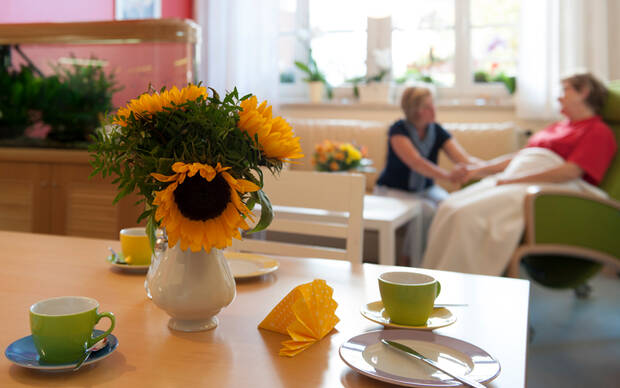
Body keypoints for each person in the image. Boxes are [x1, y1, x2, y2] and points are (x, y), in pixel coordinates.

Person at [421, 72, 617, 276]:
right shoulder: (557, 128)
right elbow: (521, 157)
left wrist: (513, 180)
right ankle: (431, 280)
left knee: (465, 216)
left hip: (548, 191)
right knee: (449, 206)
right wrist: (478, 170)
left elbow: (569, 172)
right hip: (517, 180)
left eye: (565, 90)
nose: (559, 97)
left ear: (584, 91)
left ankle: (460, 286)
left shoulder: (597, 131)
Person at [375, 86, 480, 266]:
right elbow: (417, 163)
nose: (433, 110)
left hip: (425, 189)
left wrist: (491, 168)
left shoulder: (437, 130)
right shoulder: (398, 130)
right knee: (425, 211)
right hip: (392, 190)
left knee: (449, 206)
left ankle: (446, 261)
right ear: (415, 111)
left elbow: (464, 159)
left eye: (433, 105)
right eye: (428, 106)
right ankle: (411, 262)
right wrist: (448, 176)